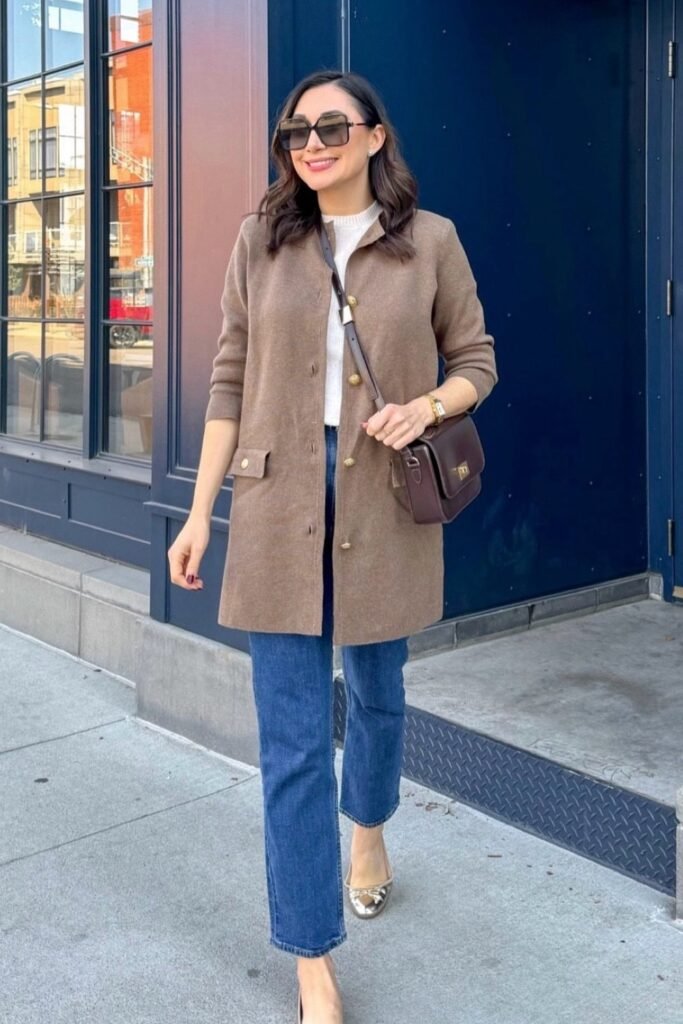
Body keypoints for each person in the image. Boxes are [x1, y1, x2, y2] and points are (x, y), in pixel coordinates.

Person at [167, 68, 497, 1024]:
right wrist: (198, 514)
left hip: (381, 500)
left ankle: (371, 830)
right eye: (294, 133)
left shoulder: (428, 242)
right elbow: (227, 381)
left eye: (330, 127)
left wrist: (427, 406)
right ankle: (311, 959)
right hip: (274, 505)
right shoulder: (259, 241)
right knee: (294, 744)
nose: (311, 144)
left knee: (380, 692)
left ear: (374, 136)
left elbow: (476, 360)